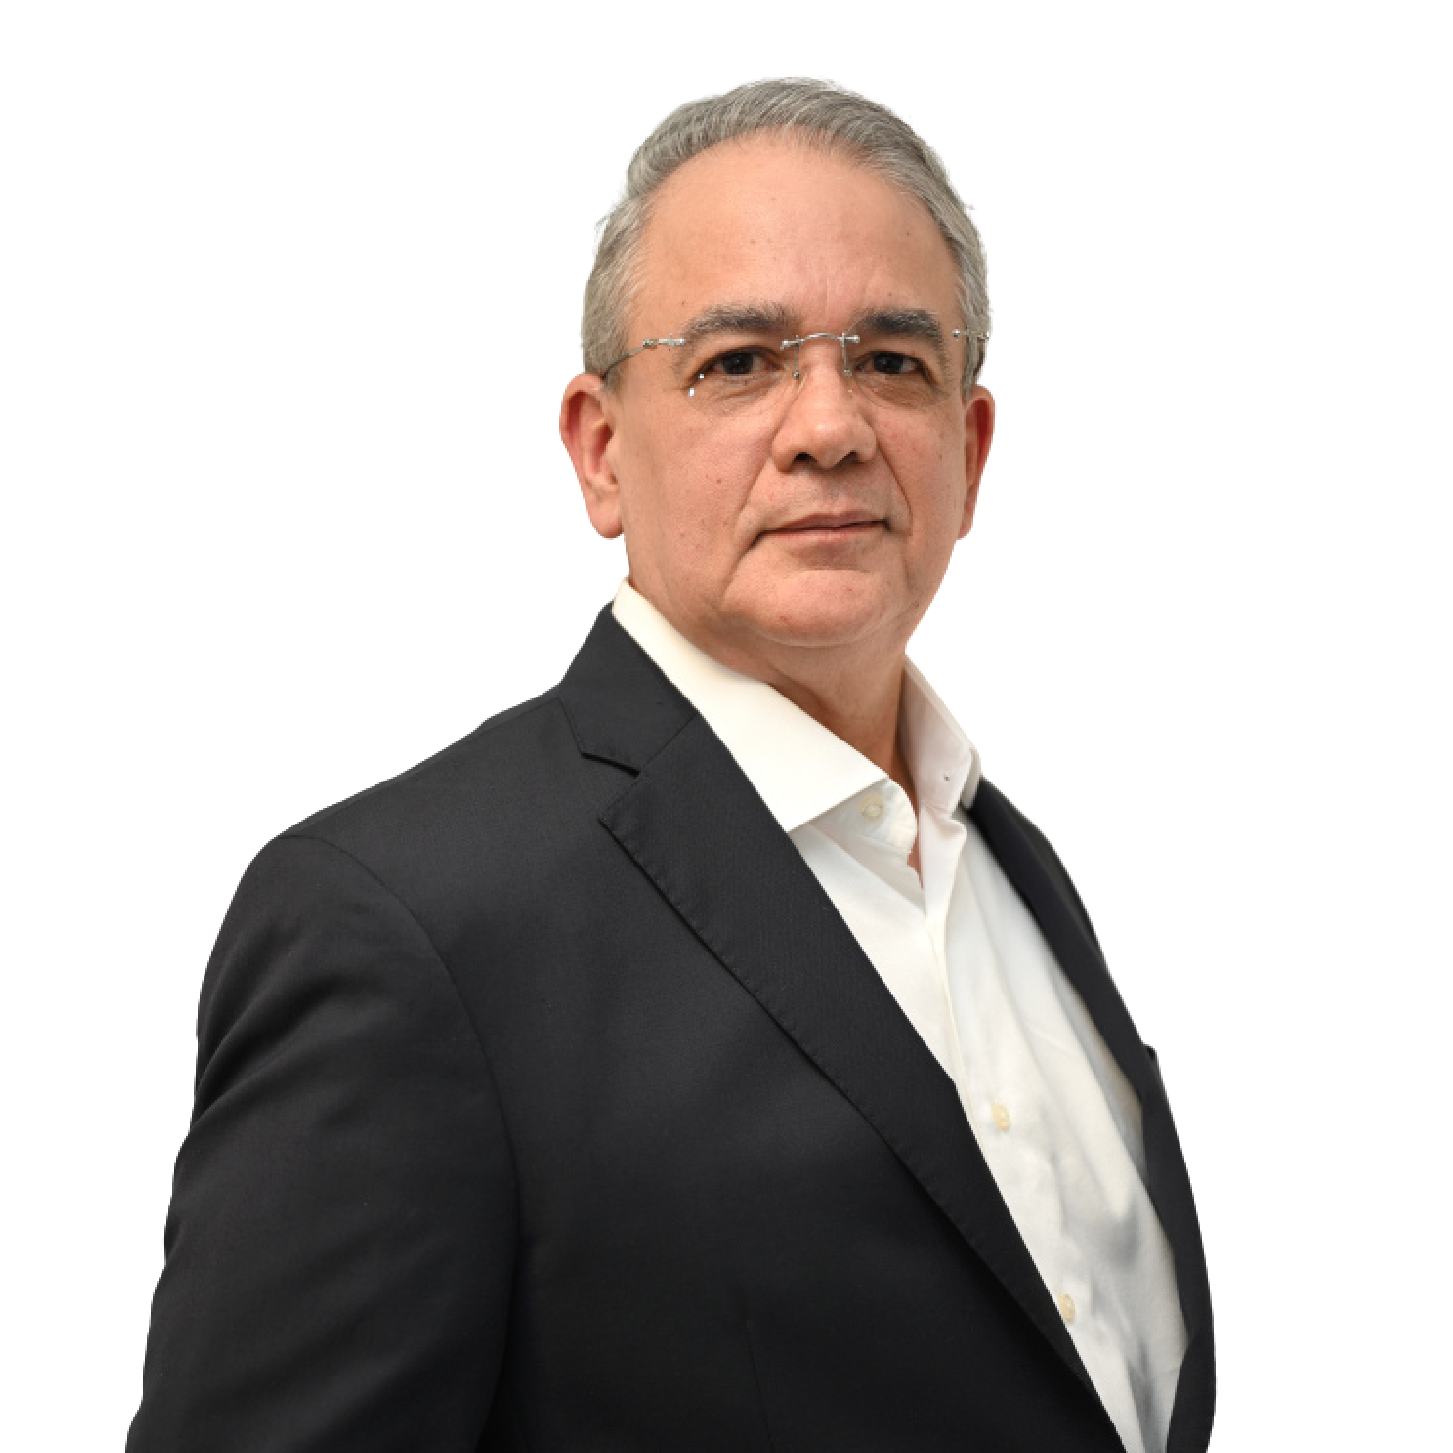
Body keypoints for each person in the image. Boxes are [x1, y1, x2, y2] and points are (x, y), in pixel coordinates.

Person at [127, 76, 1214, 1453]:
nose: (829, 428)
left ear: (972, 448)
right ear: (600, 451)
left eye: (893, 361)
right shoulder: (404, 928)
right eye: (739, 363)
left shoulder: (1014, 867)